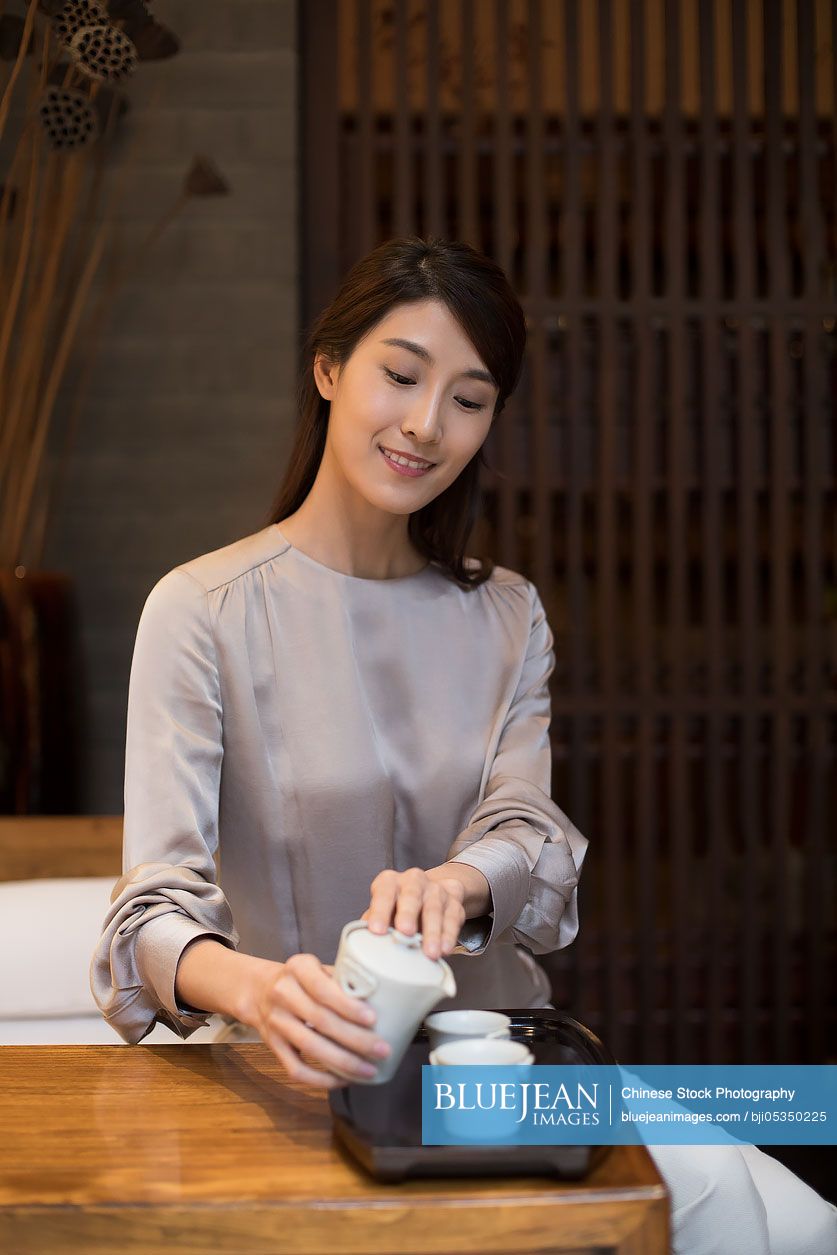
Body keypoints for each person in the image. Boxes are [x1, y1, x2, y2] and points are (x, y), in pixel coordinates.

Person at [90, 236, 837, 1254]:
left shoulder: (508, 614)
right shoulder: (202, 610)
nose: (426, 425)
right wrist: (260, 988)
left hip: (499, 1068)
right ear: (328, 369)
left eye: (470, 398)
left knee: (799, 1221)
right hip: (305, 1080)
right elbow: (150, 911)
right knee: (739, 1210)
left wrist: (463, 881)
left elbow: (522, 821)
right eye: (400, 375)